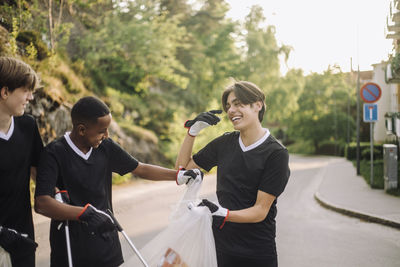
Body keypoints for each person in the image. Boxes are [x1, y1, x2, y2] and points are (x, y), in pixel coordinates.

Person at [34, 96, 202, 267]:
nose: (106, 135)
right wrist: (84, 214)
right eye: (102, 130)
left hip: (107, 245)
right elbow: (42, 203)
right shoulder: (54, 153)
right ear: (82, 129)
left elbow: (140, 168)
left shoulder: (105, 147)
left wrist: (178, 176)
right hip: (71, 249)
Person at [175, 81, 290, 267]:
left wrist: (223, 213)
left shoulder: (276, 153)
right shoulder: (224, 143)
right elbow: (182, 171)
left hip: (257, 252)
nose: (231, 110)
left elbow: (260, 210)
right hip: (221, 247)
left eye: (238, 104)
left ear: (257, 105)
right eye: (228, 106)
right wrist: (192, 132)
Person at [0, 56, 43, 267]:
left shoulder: (27, 126)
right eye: (26, 90)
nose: (31, 97)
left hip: (23, 240)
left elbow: (41, 174)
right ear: (5, 91)